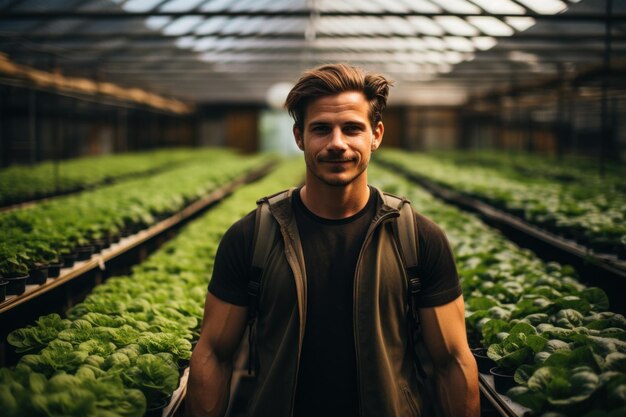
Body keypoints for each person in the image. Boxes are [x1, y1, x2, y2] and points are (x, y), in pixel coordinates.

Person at [187, 63, 479, 417]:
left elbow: (452, 361)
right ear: (299, 137)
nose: (337, 143)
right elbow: (213, 354)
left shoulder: (417, 237)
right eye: (321, 129)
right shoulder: (252, 236)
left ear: (377, 135)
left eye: (352, 128)